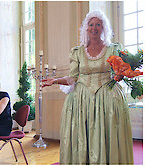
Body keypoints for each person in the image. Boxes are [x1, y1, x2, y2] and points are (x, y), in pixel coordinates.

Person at [42, 10, 133, 164]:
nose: (94, 27)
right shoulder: (77, 52)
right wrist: (56, 81)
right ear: (86, 28)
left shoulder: (113, 49)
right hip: (81, 100)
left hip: (108, 99)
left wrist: (121, 75)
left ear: (103, 28)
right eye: (91, 24)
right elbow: (74, 77)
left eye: (98, 24)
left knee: (107, 133)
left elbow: (122, 72)